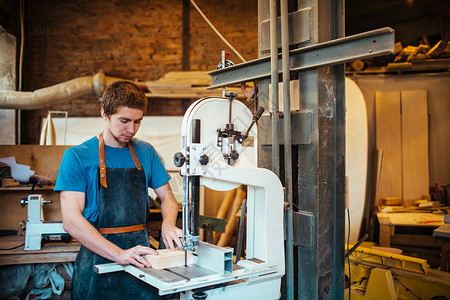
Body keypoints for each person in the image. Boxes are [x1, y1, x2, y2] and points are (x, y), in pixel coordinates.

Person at [54, 81, 183, 299]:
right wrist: (119, 254)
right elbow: (72, 221)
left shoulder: (146, 152)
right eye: (124, 121)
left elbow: (168, 198)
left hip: (142, 258)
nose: (131, 130)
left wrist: (168, 225)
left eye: (137, 122)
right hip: (97, 259)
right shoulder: (77, 156)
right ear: (104, 113)